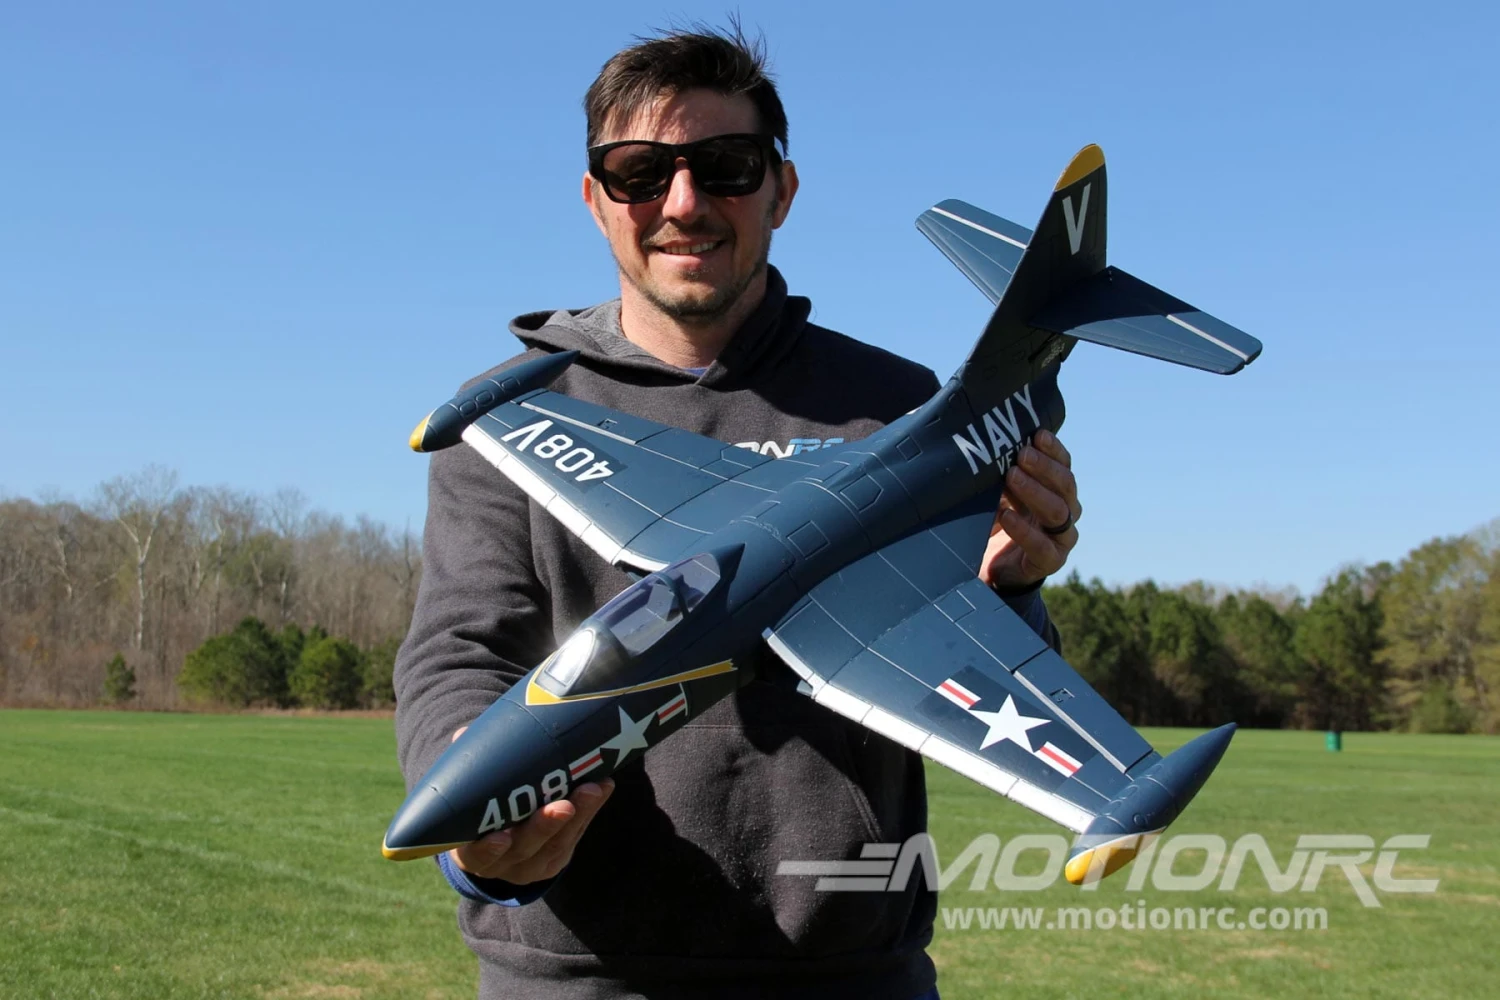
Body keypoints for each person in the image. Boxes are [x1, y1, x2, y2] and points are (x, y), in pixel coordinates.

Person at [394, 25, 1083, 1000]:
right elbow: (458, 648)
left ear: (781, 190)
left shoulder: (894, 405)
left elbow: (985, 645)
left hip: (849, 974)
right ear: (595, 198)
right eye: (639, 172)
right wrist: (482, 830)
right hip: (576, 976)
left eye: (725, 165)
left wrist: (1010, 585)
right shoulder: (514, 412)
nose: (683, 203)